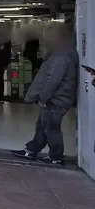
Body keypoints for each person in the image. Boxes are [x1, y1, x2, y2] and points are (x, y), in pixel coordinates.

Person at [14, 24, 78, 165]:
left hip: (56, 99)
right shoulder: (63, 52)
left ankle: (55, 157)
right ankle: (31, 150)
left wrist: (43, 97)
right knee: (43, 126)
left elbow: (52, 79)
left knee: (51, 128)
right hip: (56, 98)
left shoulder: (61, 55)